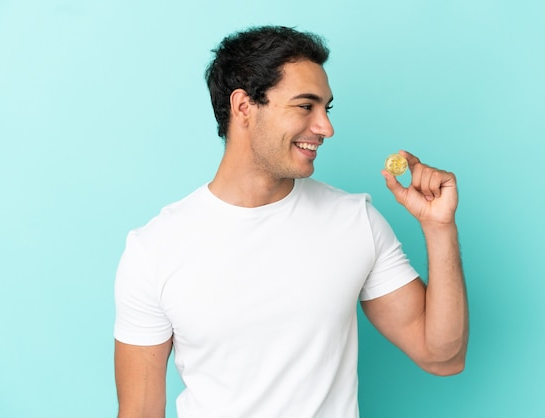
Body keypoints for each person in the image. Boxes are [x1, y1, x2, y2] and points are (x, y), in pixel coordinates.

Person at [113, 25, 468, 418]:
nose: (326, 128)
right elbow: (140, 411)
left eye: (326, 108)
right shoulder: (154, 249)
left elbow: (443, 357)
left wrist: (439, 229)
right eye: (305, 106)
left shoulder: (354, 221)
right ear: (244, 107)